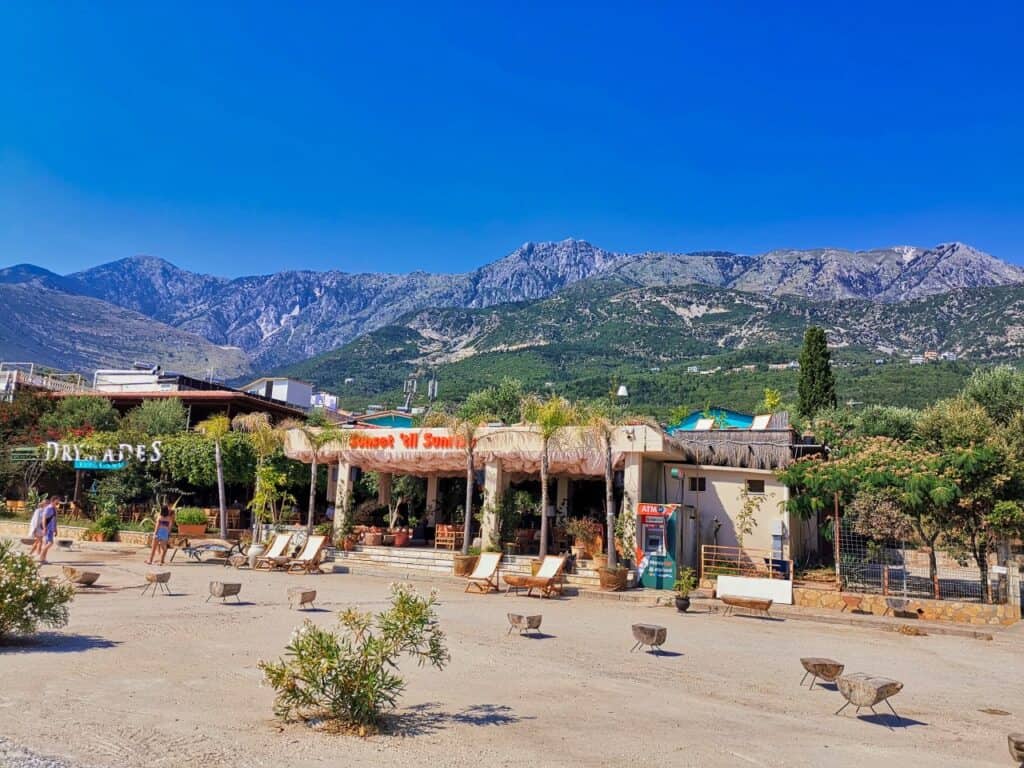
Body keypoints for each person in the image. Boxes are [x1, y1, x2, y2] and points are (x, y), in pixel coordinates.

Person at [37, 495, 60, 565]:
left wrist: (56, 529)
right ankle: (41, 558)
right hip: (47, 529)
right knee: (50, 543)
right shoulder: (48, 508)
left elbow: (55, 520)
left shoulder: (54, 509)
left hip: (51, 529)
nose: (58, 503)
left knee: (46, 544)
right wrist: (44, 528)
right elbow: (44, 519)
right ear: (53, 501)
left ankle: (44, 559)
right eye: (57, 502)